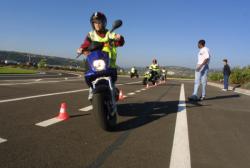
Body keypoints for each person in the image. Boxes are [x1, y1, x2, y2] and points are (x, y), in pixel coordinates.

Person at [77, 12, 125, 101]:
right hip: (94, 63)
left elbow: (119, 42)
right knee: (88, 75)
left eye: (99, 22)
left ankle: (113, 89)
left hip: (109, 63)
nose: (97, 24)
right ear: (92, 24)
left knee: (112, 81)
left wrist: (119, 38)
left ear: (104, 23)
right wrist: (81, 49)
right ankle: (92, 88)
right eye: (95, 22)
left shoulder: (109, 33)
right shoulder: (91, 34)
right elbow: (85, 44)